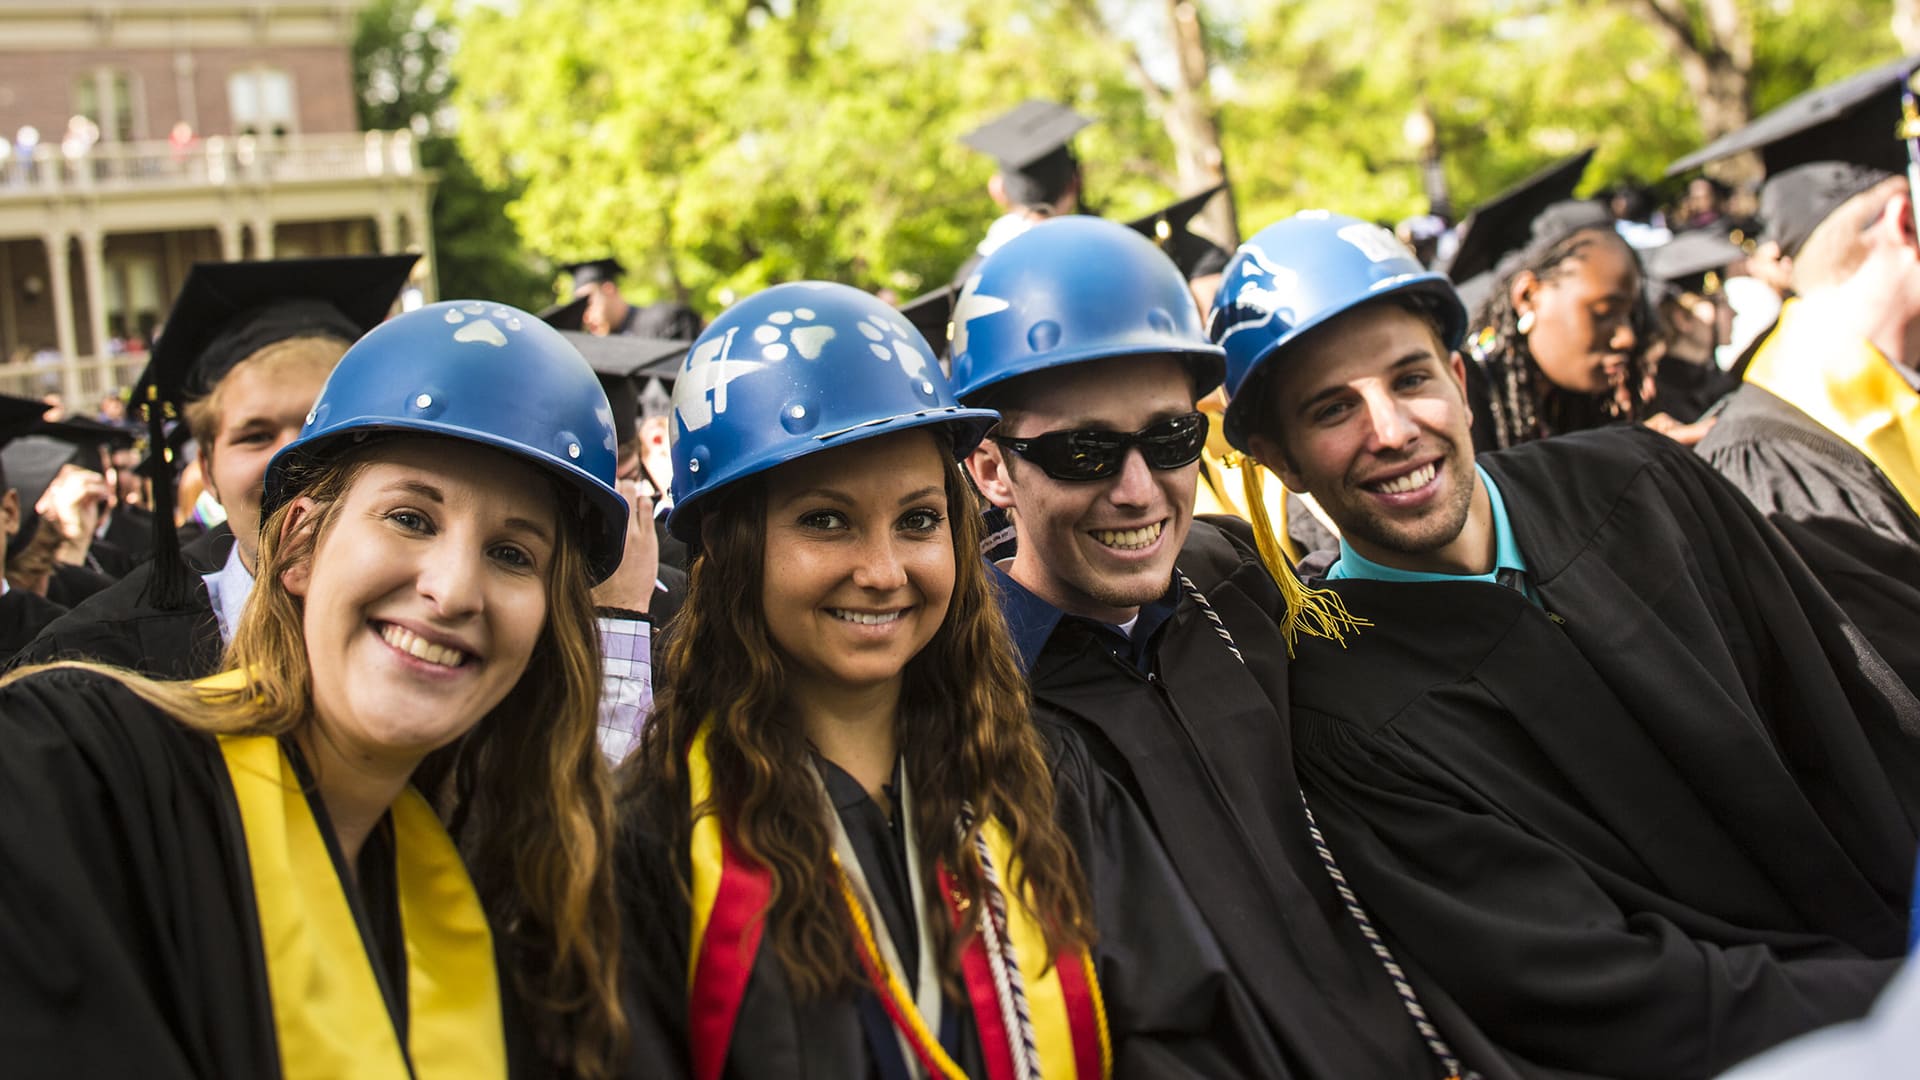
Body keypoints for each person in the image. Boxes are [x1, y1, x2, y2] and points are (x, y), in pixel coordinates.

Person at [1213, 210, 1920, 1078]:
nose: (1392, 429)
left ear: (1461, 382)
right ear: (1280, 461)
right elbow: (1588, 984)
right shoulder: (1343, 712)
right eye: (1333, 409)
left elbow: (1862, 719)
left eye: (1411, 378)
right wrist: (1881, 1015)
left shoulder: (1645, 484)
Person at [617, 281, 1277, 1077]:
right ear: (726, 547)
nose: (884, 570)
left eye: (919, 520)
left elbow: (1178, 1031)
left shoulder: (1044, 773)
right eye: (825, 521)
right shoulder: (651, 841)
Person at [945, 214, 1518, 1080]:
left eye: (1172, 440)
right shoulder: (956, 710)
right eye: (1084, 452)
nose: (1138, 492)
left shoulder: (1237, 578)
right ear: (992, 470)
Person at [0, 299, 630, 1077]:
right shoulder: (68, 774)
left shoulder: (519, 890)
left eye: (511, 554)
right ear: (296, 544)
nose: (455, 589)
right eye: (409, 517)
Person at [557, 258, 702, 341]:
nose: (586, 317)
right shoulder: (597, 349)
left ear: (609, 290)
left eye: (588, 303)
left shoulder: (667, 320)